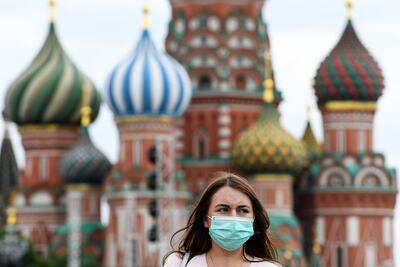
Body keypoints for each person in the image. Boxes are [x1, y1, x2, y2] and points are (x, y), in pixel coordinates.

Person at [163, 172, 280, 267]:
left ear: (254, 220)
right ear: (205, 219)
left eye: (243, 210)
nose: (234, 217)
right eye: (223, 209)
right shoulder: (178, 263)